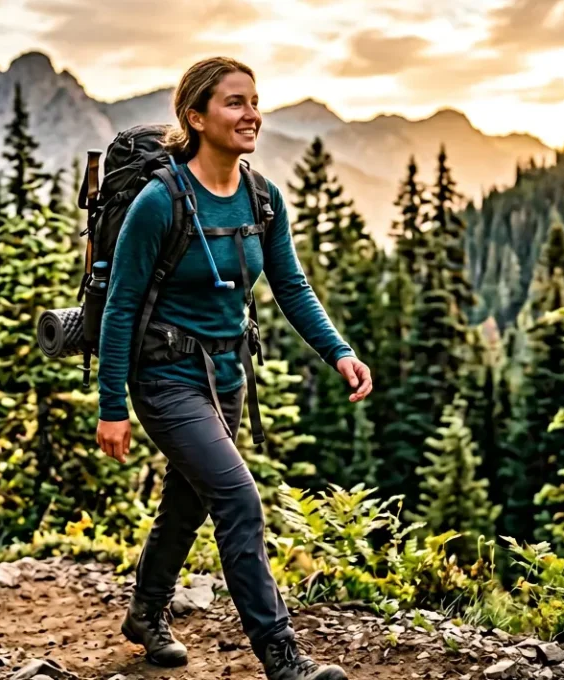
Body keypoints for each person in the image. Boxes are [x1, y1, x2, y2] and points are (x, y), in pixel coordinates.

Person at [93, 56, 374, 680]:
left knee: (189, 500)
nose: (252, 114)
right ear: (195, 117)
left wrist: (340, 352)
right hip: (164, 378)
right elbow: (120, 308)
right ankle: (282, 657)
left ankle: (145, 611)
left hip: (228, 377)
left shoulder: (260, 197)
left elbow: (292, 286)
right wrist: (112, 405)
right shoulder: (158, 203)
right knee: (239, 500)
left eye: (254, 101)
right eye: (234, 103)